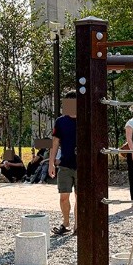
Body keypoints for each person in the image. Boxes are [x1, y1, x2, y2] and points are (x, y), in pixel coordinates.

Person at [49, 91, 77, 236]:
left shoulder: (86, 119)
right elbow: (55, 143)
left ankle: (78, 226)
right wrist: (51, 163)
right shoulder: (60, 121)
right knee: (63, 196)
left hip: (82, 165)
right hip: (65, 164)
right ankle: (66, 223)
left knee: (80, 197)